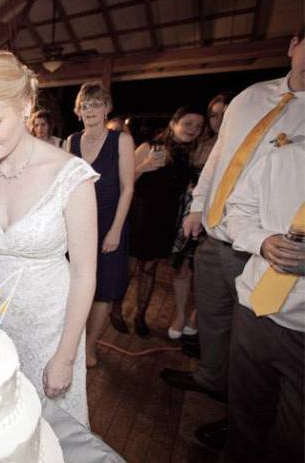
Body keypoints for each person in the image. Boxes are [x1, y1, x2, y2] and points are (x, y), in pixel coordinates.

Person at [160, 28, 304, 451]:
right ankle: (211, 378)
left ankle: (239, 422)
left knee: (257, 347)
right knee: (214, 320)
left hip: (263, 253)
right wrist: (197, 207)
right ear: (293, 45)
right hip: (217, 231)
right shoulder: (251, 97)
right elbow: (220, 157)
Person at [0, 51, 98, 426]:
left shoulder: (72, 176)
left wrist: (65, 356)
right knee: (1, 422)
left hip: (53, 325)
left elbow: (84, 274)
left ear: (26, 105)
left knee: (53, 429)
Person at [223, 141, 305, 462]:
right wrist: (262, 241)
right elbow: (238, 211)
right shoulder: (281, 159)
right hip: (255, 310)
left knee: (294, 438)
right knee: (244, 415)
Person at [117, 106, 204, 338]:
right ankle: (116, 310)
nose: (193, 129)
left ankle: (140, 316)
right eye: (188, 123)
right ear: (173, 123)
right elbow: (124, 181)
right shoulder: (149, 146)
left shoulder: (190, 154)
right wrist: (144, 166)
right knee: (129, 269)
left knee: (150, 269)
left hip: (165, 219)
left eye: (198, 126)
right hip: (139, 216)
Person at [66, 82, 134, 366]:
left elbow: (128, 188)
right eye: (85, 105)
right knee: (74, 286)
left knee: (103, 290)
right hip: (77, 225)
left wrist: (115, 230)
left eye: (96, 104)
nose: (90, 110)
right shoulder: (70, 141)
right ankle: (72, 341)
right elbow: (65, 188)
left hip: (109, 223)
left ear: (107, 108)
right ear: (78, 111)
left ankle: (90, 346)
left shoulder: (121, 141)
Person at [167, 93, 233, 340]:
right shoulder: (198, 144)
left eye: (225, 114)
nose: (218, 120)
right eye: (214, 115)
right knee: (182, 267)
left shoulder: (239, 144)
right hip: (188, 213)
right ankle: (180, 315)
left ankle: (195, 316)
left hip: (218, 215)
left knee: (205, 270)